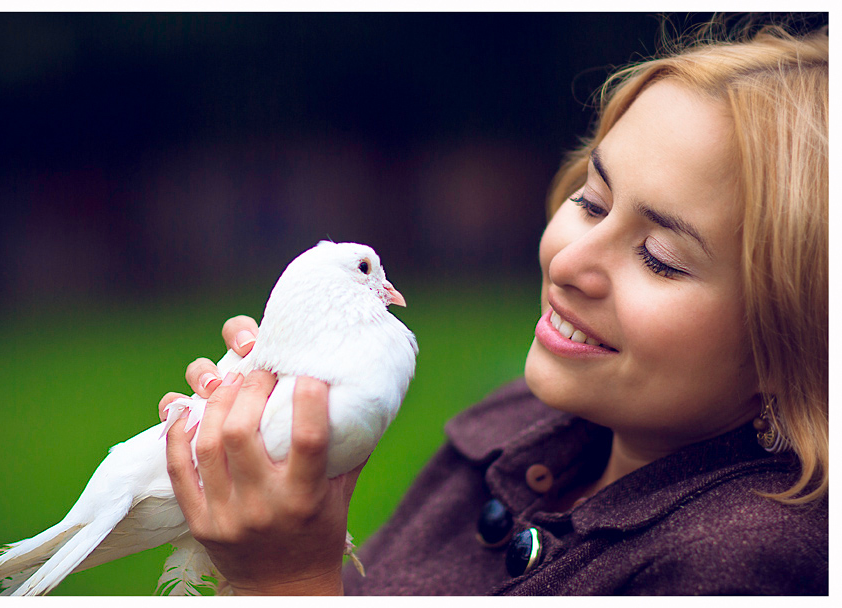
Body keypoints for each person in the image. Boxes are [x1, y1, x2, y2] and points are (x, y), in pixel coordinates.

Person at [158, 17, 828, 595]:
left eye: (660, 257)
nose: (567, 263)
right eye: (591, 201)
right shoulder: (507, 426)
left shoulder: (745, 567)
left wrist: (284, 581)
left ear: (801, 338)